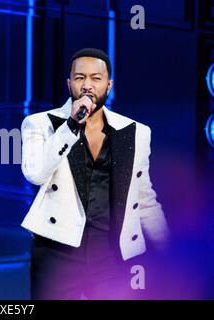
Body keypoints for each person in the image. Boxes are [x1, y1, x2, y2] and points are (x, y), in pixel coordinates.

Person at [20, 48, 170, 299]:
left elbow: (144, 200)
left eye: (95, 78)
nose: (87, 85)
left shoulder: (136, 132)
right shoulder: (41, 124)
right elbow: (35, 174)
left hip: (112, 253)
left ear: (108, 85)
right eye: (79, 78)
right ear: (69, 83)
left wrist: (170, 250)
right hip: (57, 252)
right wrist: (71, 126)